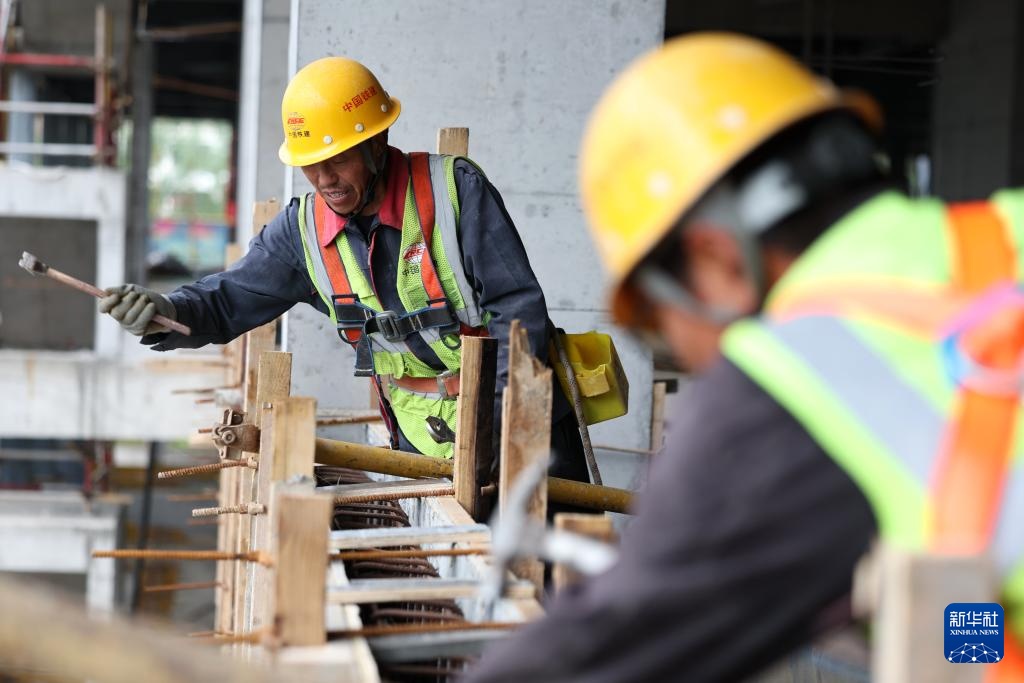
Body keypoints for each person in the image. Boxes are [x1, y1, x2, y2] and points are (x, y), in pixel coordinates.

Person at [464, 33, 1024, 682]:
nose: (702, 366)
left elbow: (608, 650)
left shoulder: (795, 377)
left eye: (661, 328)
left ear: (715, 261)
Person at [99, 56, 587, 482]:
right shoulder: (302, 233)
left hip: (521, 425)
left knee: (558, 576)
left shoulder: (455, 192)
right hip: (426, 439)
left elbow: (518, 313)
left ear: (378, 143)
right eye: (311, 164)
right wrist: (164, 309)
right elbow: (224, 302)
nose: (324, 178)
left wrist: (496, 430)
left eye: (338, 159)